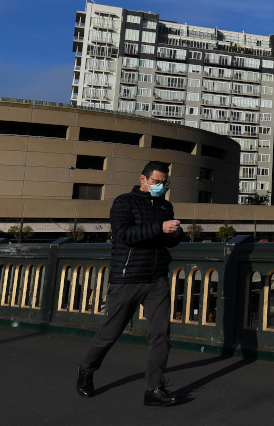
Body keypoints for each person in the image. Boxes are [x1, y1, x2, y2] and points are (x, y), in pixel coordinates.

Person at [76, 161, 183, 407]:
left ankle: (154, 389)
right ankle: (86, 370)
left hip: (157, 277)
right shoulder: (124, 202)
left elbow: (168, 241)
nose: (160, 186)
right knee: (111, 332)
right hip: (128, 276)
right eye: (156, 181)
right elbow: (124, 235)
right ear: (143, 179)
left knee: (161, 333)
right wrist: (159, 227)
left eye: (164, 182)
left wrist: (176, 233)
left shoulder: (165, 206)